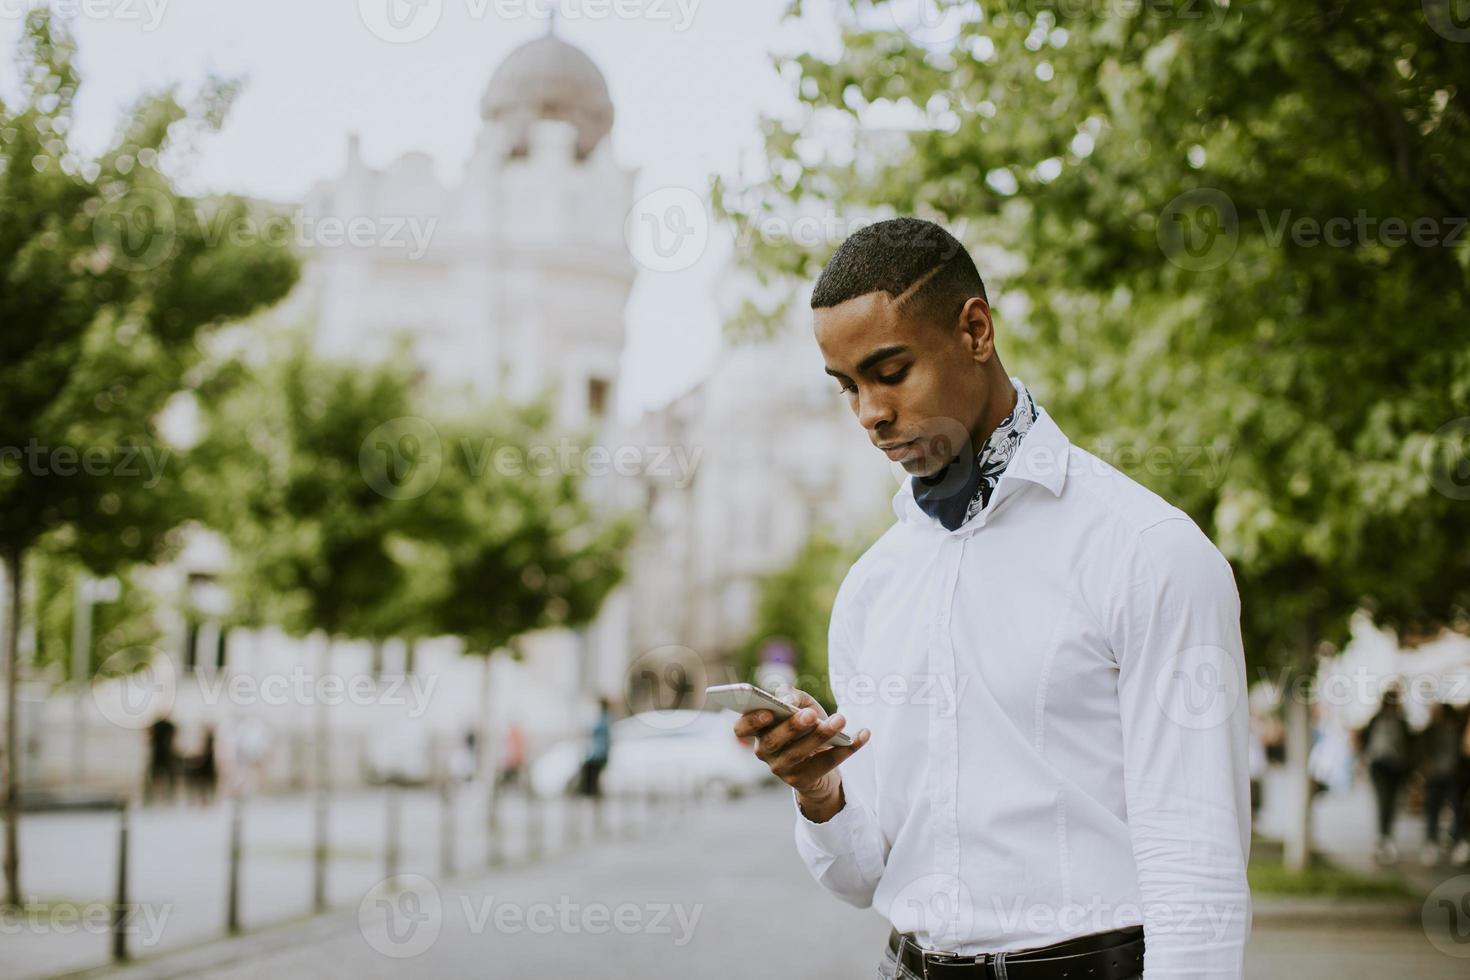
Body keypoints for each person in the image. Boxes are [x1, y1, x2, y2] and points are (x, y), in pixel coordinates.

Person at [733, 218, 1250, 980]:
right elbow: (864, 878)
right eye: (848, 387)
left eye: (890, 370)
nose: (870, 413)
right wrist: (820, 790)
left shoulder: (1145, 551)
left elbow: (1196, 860)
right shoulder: (874, 588)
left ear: (975, 329)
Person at [1356, 684, 1411, 864]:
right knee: (1383, 801)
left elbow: (1410, 745)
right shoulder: (1376, 720)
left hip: (1397, 767)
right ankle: (1382, 838)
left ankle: (1387, 837)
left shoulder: (1402, 722)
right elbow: (1364, 740)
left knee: (1393, 802)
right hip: (1379, 766)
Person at [579, 698, 611, 799]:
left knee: (592, 775)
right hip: (599, 753)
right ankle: (593, 793)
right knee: (594, 776)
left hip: (597, 754)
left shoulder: (603, 719)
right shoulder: (606, 718)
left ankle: (591, 793)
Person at [144, 714, 177, 805]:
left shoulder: (160, 726)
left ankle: (166, 796)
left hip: (162, 755)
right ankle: (154, 796)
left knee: (161, 776)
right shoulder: (166, 727)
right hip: (162, 755)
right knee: (158, 776)